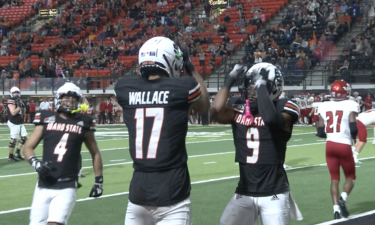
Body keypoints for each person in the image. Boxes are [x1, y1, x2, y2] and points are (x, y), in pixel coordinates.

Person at [115, 36, 209, 225]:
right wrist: (189, 65)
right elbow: (204, 104)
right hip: (172, 192)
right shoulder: (184, 86)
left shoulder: (124, 88)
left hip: (138, 193)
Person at [211, 62, 303, 225]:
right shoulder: (239, 106)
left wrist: (262, 87)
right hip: (245, 190)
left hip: (273, 192)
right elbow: (215, 112)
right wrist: (230, 79)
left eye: (258, 86)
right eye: (250, 85)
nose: (252, 90)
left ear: (273, 87)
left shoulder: (284, 106)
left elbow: (270, 119)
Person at [24, 82, 104, 225]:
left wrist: (99, 181)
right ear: (58, 99)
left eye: (73, 99)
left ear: (78, 101)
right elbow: (28, 147)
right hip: (43, 184)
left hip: (67, 185)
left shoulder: (84, 122)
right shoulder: (46, 119)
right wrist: (35, 163)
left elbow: (95, 153)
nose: (69, 102)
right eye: (66, 98)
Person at [317, 79, 360, 219]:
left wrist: (332, 135)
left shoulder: (323, 105)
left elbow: (321, 132)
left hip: (330, 146)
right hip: (344, 144)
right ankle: (343, 198)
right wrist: (354, 138)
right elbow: (353, 127)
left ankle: (335, 210)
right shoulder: (351, 104)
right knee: (350, 176)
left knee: (334, 179)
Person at [7, 86, 28, 161]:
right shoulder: (11, 101)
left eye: (17, 93)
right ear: (11, 94)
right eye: (14, 93)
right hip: (13, 122)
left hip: (19, 122)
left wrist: (22, 107)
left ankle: (17, 153)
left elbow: (23, 112)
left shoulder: (19, 100)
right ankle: (10, 156)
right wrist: (19, 107)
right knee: (14, 139)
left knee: (24, 137)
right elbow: (13, 113)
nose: (16, 94)